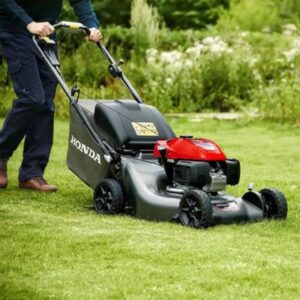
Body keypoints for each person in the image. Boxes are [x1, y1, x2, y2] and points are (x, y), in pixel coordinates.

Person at [0, 0, 102, 191]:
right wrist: (29, 23)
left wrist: (92, 25)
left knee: (46, 103)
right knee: (32, 98)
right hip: (15, 32)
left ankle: (32, 173)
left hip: (46, 35)